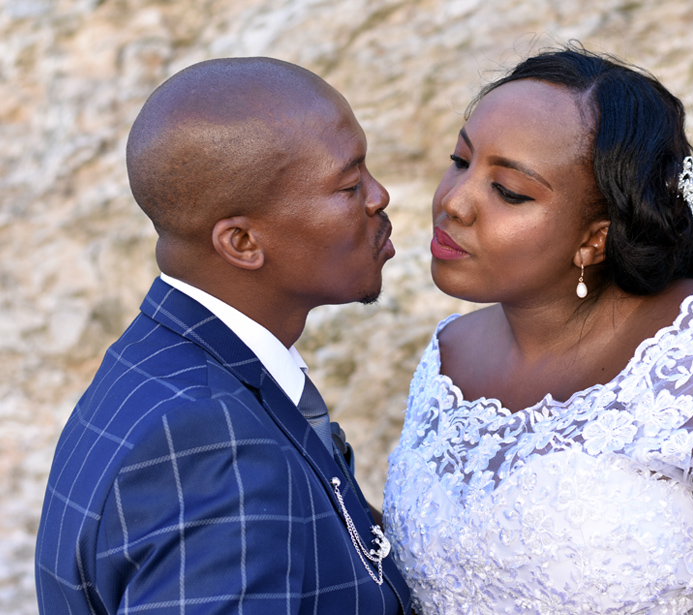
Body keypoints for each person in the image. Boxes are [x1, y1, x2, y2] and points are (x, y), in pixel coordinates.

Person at [382, 45, 693, 615]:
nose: (454, 202)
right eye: (460, 161)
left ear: (596, 237)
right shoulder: (447, 358)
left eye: (508, 191)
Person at [35, 57, 411, 614]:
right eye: (350, 185)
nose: (379, 196)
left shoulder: (150, 361)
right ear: (242, 243)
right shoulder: (214, 443)